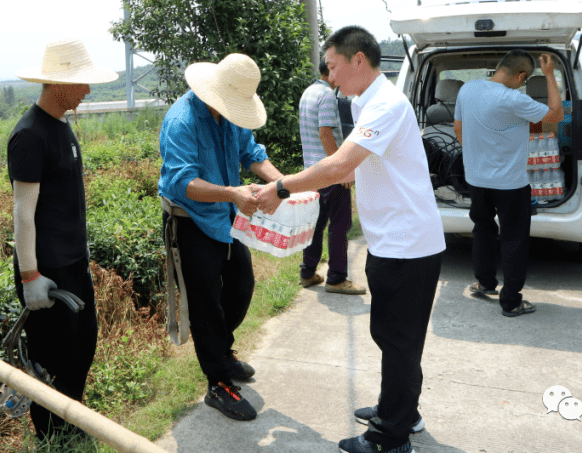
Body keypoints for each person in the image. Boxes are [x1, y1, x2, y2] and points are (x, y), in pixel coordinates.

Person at [255, 26, 445, 453]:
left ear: (359, 60)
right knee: (397, 336)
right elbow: (349, 169)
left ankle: (389, 438)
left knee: (397, 339)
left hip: (406, 244)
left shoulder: (385, 105)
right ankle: (399, 409)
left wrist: (282, 186)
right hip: (394, 241)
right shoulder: (365, 102)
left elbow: (340, 163)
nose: (331, 77)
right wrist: (309, 187)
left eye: (334, 66)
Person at [158, 52, 284, 422]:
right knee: (205, 301)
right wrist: (233, 193)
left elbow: (252, 154)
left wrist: (281, 184)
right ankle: (218, 381)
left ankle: (221, 350)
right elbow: (183, 183)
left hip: (228, 219)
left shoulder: (230, 116)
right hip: (192, 220)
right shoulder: (182, 120)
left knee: (241, 285)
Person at [6, 38, 117, 443]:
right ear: (57, 84)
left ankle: (72, 422)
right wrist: (30, 275)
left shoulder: (61, 126)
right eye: (81, 83)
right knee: (51, 357)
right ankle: (54, 436)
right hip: (46, 269)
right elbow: (23, 212)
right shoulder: (30, 135)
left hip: (73, 263)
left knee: (82, 346)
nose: (87, 90)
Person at [453, 50, 562, 317]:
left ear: (499, 67)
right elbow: (556, 115)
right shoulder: (514, 99)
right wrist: (549, 74)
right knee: (514, 239)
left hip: (476, 180)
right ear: (521, 76)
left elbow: (458, 128)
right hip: (511, 185)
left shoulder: (467, 89)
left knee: (482, 230)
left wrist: (475, 156)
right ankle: (511, 301)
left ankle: (485, 283)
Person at [297, 61, 365, 294]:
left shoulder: (308, 92)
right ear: (332, 72)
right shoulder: (326, 95)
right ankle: (336, 278)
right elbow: (325, 134)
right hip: (329, 174)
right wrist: (343, 169)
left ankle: (307, 272)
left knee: (316, 225)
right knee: (339, 225)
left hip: (312, 173)